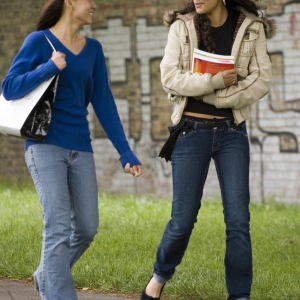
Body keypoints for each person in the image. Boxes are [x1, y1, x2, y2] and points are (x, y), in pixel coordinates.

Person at [1, 0, 142, 299]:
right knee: (58, 226)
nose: (94, 5)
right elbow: (9, 87)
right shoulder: (39, 41)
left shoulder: (93, 50)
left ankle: (46, 274)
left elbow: (103, 102)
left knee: (88, 228)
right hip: (45, 147)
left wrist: (125, 151)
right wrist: (49, 68)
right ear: (69, 2)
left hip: (81, 148)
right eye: (88, 0)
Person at [140, 1, 276, 300]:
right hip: (190, 132)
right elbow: (170, 76)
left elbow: (261, 79)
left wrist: (216, 99)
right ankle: (159, 277)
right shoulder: (182, 27)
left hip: (232, 133)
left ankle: (239, 296)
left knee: (238, 220)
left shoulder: (251, 28)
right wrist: (213, 82)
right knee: (183, 220)